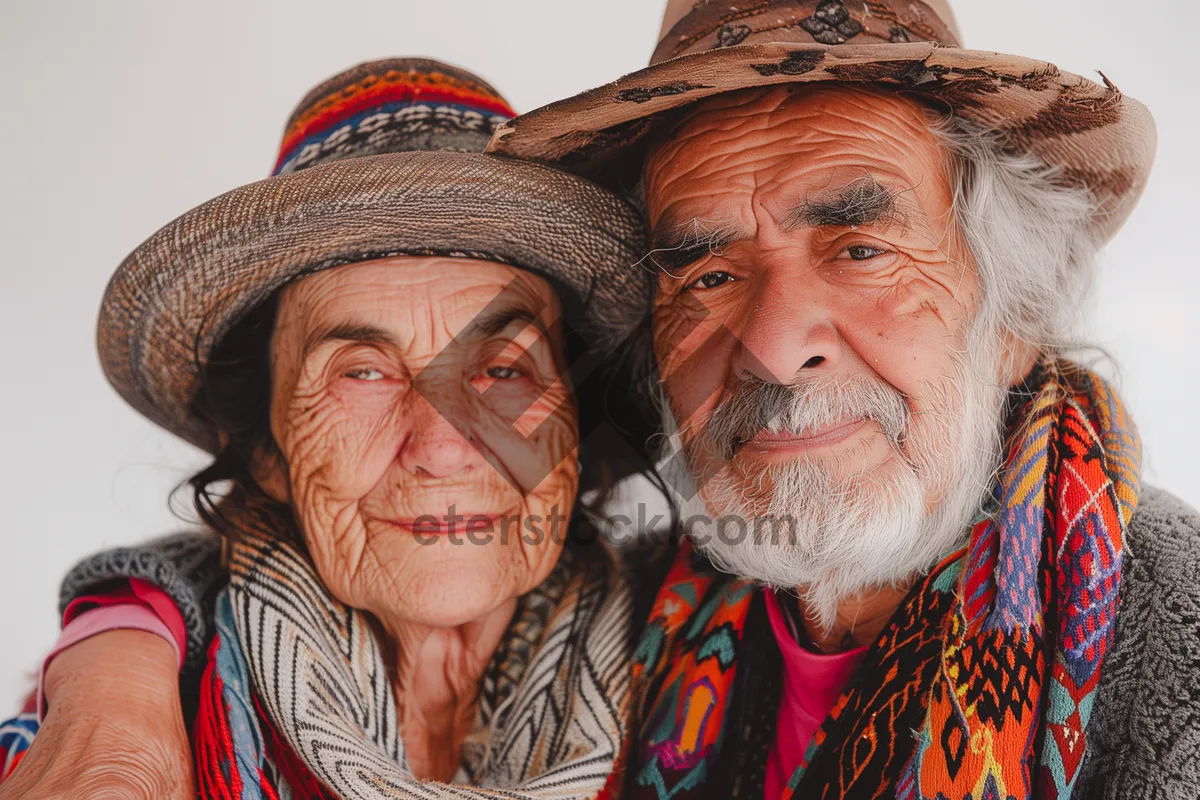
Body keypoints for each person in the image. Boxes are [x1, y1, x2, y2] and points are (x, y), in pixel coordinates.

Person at [10, 1, 1200, 798]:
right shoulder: (674, 590)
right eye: (711, 271)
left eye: (861, 248)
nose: (776, 348)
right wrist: (117, 680)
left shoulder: (1170, 666)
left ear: (1016, 314)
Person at [0, 58, 657, 800]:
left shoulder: (688, 661)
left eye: (504, 369)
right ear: (266, 452)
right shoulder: (120, 731)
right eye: (363, 373)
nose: (442, 447)